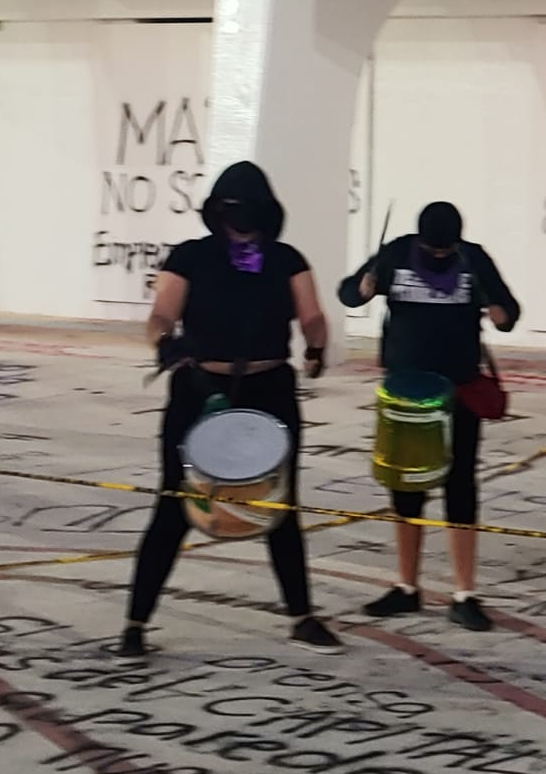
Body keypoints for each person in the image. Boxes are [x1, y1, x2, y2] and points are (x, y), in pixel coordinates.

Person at [120, 162, 340, 656]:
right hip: (200, 388)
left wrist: (315, 347)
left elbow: (312, 314)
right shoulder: (191, 256)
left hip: (268, 388)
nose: (239, 218)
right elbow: (161, 313)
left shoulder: (285, 259)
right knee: (175, 502)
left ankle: (302, 617)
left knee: (279, 503)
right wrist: (165, 342)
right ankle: (134, 624)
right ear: (217, 211)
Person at [340, 201, 520, 631]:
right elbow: (347, 293)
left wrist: (501, 315)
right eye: (433, 251)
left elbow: (509, 311)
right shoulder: (397, 253)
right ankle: (407, 586)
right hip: (406, 394)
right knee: (405, 486)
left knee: (460, 484)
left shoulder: (472, 259)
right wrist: (362, 289)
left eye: (446, 251)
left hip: (459, 390)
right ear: (420, 240)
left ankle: (464, 593)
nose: (440, 257)